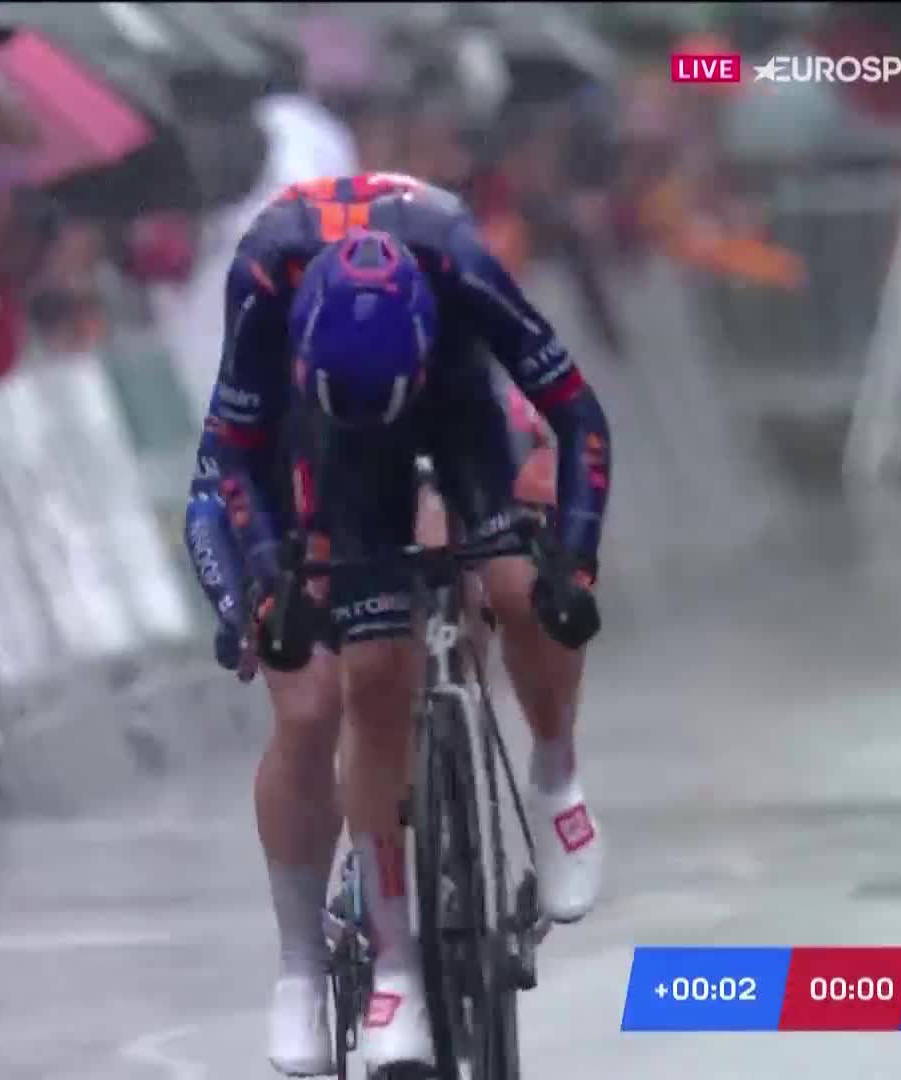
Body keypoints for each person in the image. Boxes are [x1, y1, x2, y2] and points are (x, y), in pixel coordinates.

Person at [182, 173, 611, 1075]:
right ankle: (334, 967)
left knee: (518, 585)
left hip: (454, 405)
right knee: (336, 693)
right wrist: (261, 596)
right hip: (320, 442)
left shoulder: (460, 263)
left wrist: (575, 563)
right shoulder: (264, 277)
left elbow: (579, 418)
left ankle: (556, 778)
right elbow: (228, 465)